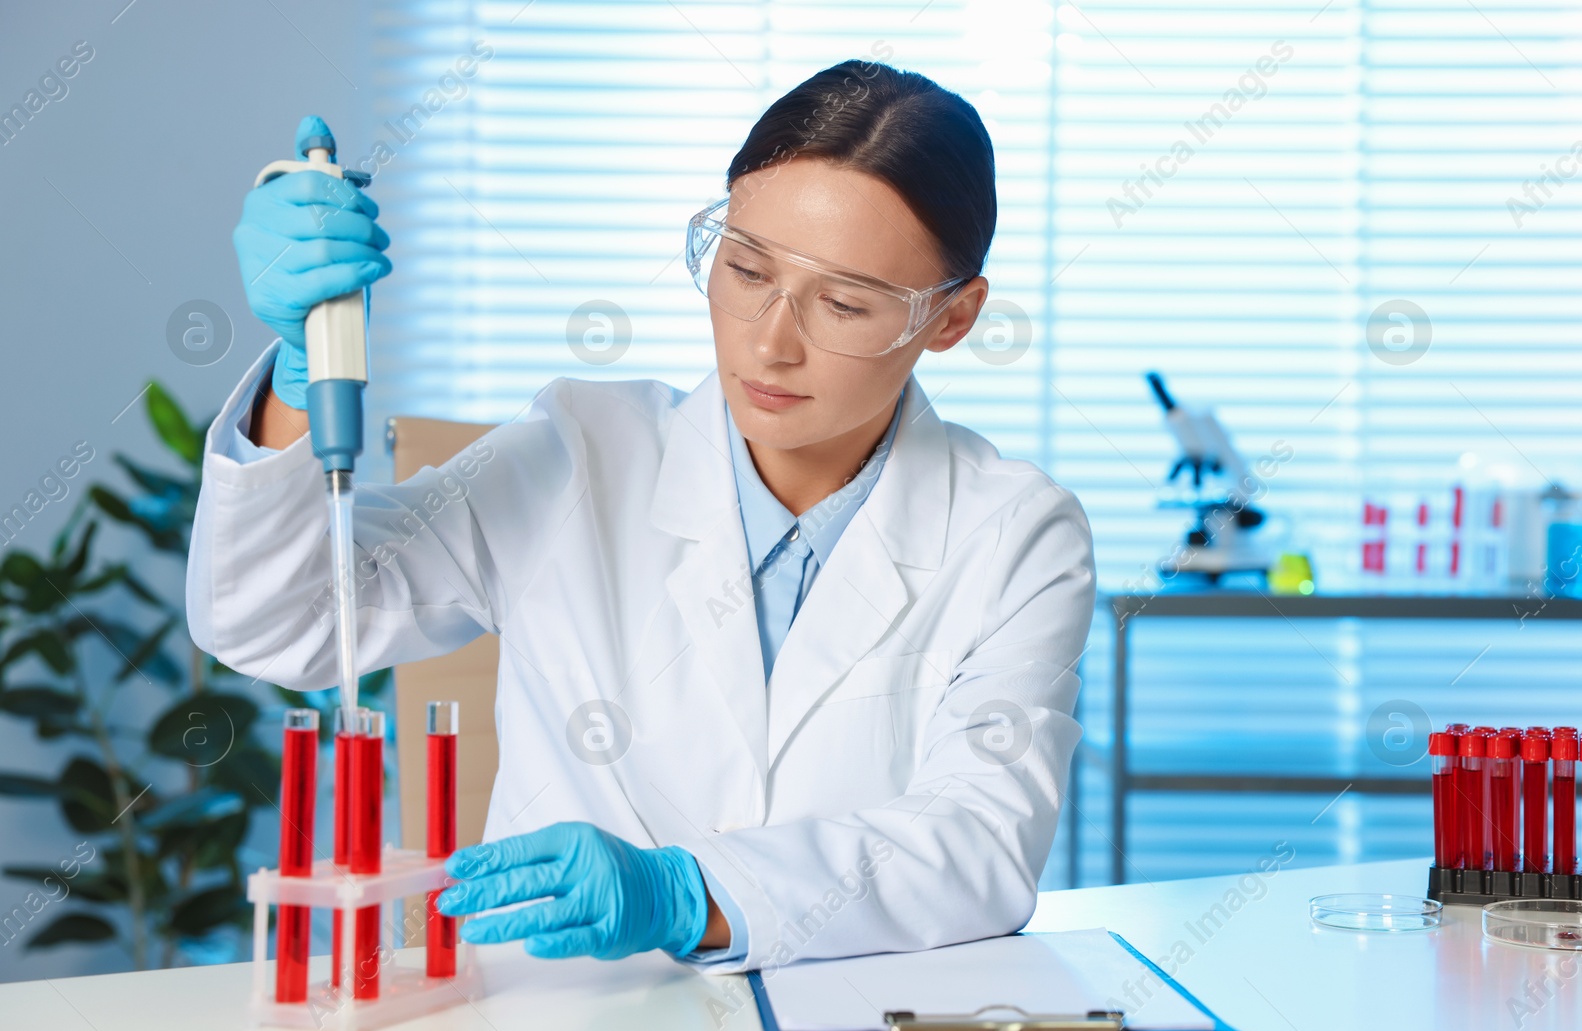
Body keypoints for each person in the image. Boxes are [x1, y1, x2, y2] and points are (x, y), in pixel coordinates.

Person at [193, 59, 1095, 975]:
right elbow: (281, 623)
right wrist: (300, 386)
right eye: (747, 269)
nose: (772, 342)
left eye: (845, 303)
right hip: (563, 1025)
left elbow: (979, 841)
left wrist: (686, 891)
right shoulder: (582, 450)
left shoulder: (1015, 532)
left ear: (952, 318)